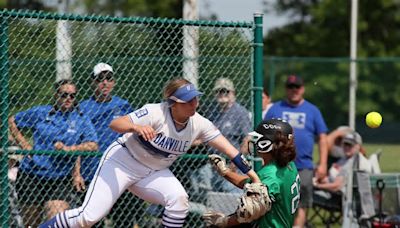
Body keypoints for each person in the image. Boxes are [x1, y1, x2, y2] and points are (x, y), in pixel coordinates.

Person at [39, 78, 261, 228]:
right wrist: (135, 127)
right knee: (88, 217)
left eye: (196, 97)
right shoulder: (155, 112)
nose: (195, 102)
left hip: (152, 171)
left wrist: (253, 176)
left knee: (179, 198)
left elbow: (231, 150)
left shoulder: (199, 123)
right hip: (121, 162)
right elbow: (116, 123)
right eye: (188, 99)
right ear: (173, 103)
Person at [8, 79, 98, 227]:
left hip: (59, 177)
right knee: (31, 224)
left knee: (55, 222)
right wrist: (25, 145)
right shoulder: (41, 112)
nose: (68, 99)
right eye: (64, 95)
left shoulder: (80, 118)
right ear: (56, 95)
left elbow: (93, 145)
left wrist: (69, 150)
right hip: (32, 174)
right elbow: (12, 121)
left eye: (72, 95)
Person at [203, 118, 300, 227]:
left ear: (266, 144)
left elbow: (248, 212)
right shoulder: (289, 166)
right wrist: (225, 172)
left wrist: (223, 221)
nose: (254, 143)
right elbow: (250, 184)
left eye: (257, 139)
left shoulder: (270, 174)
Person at [264, 74, 328, 228]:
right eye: (290, 87)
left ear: (303, 89)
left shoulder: (312, 110)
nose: (294, 90)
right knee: (274, 202)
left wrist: (323, 164)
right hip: (278, 166)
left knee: (300, 205)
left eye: (297, 87)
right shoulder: (275, 109)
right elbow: (264, 133)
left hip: (303, 166)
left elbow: (322, 137)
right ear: (286, 89)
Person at [78, 63, 135, 227]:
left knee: (124, 220)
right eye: (100, 79)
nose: (105, 83)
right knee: (93, 220)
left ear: (114, 82)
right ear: (92, 82)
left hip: (120, 170)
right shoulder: (83, 107)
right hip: (91, 171)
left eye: (109, 78)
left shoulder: (123, 105)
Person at [195, 77, 252, 193]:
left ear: (233, 93)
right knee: (215, 197)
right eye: (219, 91)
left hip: (233, 165)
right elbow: (204, 136)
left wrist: (235, 164)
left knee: (231, 198)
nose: (222, 94)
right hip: (214, 165)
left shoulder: (240, 112)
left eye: (226, 91)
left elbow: (247, 140)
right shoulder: (211, 112)